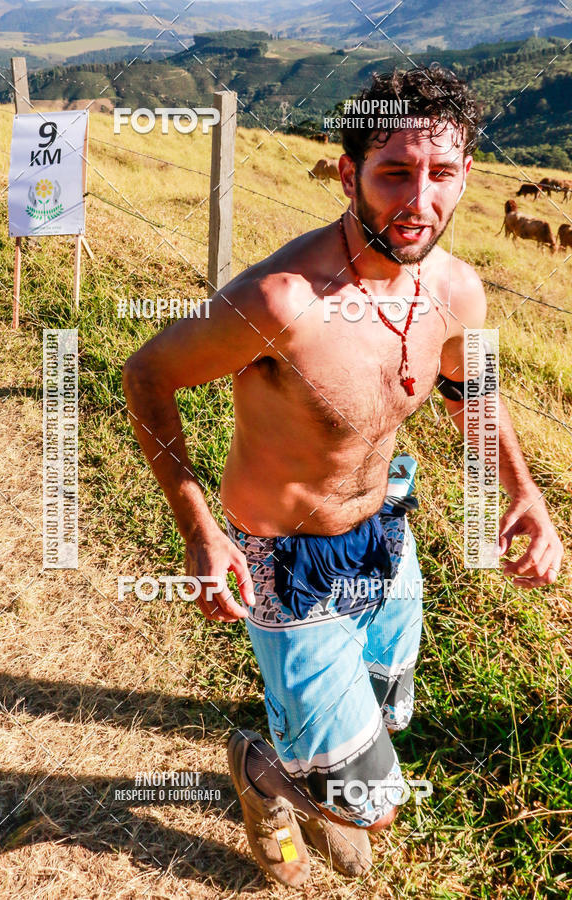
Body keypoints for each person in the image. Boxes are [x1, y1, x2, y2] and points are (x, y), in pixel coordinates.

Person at [122, 67, 564, 887]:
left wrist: (523, 491)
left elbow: (470, 389)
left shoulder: (457, 289)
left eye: (441, 173)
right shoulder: (284, 300)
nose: (419, 201)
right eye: (394, 173)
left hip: (385, 538)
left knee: (388, 713)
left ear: (468, 173)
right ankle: (263, 773)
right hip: (286, 565)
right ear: (347, 172)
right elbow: (146, 374)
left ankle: (320, 771)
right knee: (372, 805)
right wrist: (199, 528)